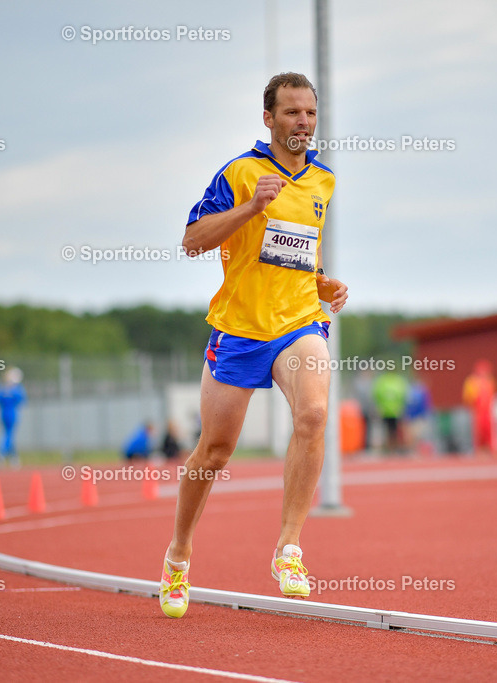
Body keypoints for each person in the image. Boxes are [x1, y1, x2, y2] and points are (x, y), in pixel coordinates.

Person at [159, 73, 348, 619]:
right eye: (292, 113)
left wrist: (322, 283)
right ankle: (178, 554)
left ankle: (289, 547)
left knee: (313, 415)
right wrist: (248, 207)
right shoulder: (240, 173)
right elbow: (193, 241)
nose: (303, 123)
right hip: (239, 330)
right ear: (268, 119)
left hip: (299, 324)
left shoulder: (324, 182)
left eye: (310, 113)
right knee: (214, 452)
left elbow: (292, 256)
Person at [463, 360, 497, 455]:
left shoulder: (490, 381)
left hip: (488, 411)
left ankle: (493, 449)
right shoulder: (472, 381)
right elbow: (468, 397)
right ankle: (479, 450)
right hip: (477, 411)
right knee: (478, 432)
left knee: (490, 431)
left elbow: (493, 394)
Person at [0, 367, 26, 467]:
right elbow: (21, 399)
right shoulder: (16, 389)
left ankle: (14, 458)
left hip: (3, 413)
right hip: (11, 413)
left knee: (9, 435)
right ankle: (0, 453)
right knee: (8, 435)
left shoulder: (1, 388)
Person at [372, 371, 409, 453]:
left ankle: (396, 447)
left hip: (395, 411)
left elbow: (403, 395)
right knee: (387, 430)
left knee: (395, 430)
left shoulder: (396, 381)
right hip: (386, 411)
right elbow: (377, 395)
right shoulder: (384, 381)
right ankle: (388, 448)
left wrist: (401, 406)